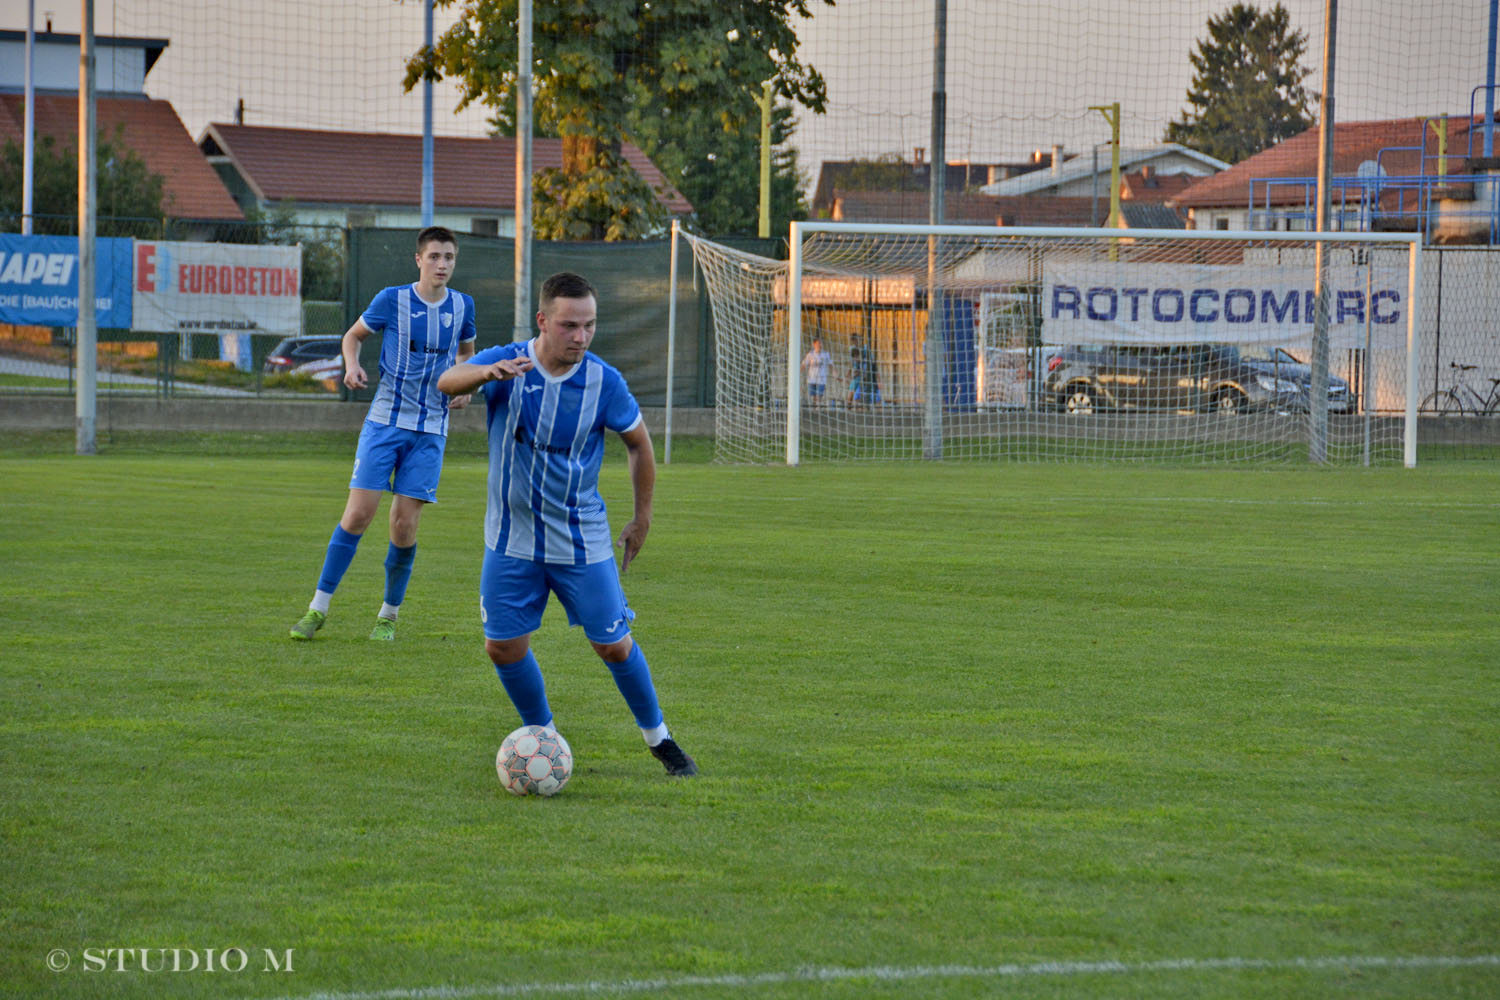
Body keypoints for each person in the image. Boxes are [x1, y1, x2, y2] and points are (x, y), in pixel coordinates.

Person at [435, 271, 697, 777]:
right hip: (511, 539)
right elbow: (448, 379)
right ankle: (544, 736)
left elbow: (639, 444)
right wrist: (488, 375)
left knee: (613, 645)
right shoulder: (507, 361)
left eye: (589, 326)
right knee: (503, 646)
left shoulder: (604, 381)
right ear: (543, 321)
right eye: (569, 325)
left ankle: (659, 739)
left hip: (582, 539)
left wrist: (642, 518)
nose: (580, 336)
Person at [289, 225, 477, 642]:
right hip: (385, 422)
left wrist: (467, 384)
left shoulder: (463, 306)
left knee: (404, 526)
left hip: (431, 430)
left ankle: (388, 615)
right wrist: (351, 365)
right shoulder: (392, 299)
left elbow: (467, 355)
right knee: (358, 515)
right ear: (419, 259)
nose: (442, 264)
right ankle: (317, 609)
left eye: (449, 257)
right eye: (434, 256)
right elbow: (353, 337)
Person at [801, 337, 831, 407]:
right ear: (814, 344)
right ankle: (815, 409)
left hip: (821, 379)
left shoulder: (826, 354)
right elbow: (804, 364)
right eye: (818, 343)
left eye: (821, 343)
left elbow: (831, 364)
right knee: (814, 396)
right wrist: (798, 373)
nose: (820, 345)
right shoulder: (810, 354)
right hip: (812, 378)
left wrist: (835, 373)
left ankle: (818, 408)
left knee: (819, 395)